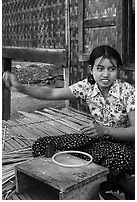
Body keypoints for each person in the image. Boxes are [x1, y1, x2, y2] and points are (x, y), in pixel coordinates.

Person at [3, 45, 135, 181]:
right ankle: (80, 174)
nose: (106, 74)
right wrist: (20, 87)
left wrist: (105, 130)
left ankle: (90, 178)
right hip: (96, 141)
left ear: (118, 70)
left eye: (111, 69)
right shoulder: (87, 87)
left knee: (120, 158)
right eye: (100, 69)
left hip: (121, 145)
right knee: (43, 144)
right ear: (91, 70)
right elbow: (51, 92)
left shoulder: (127, 92)